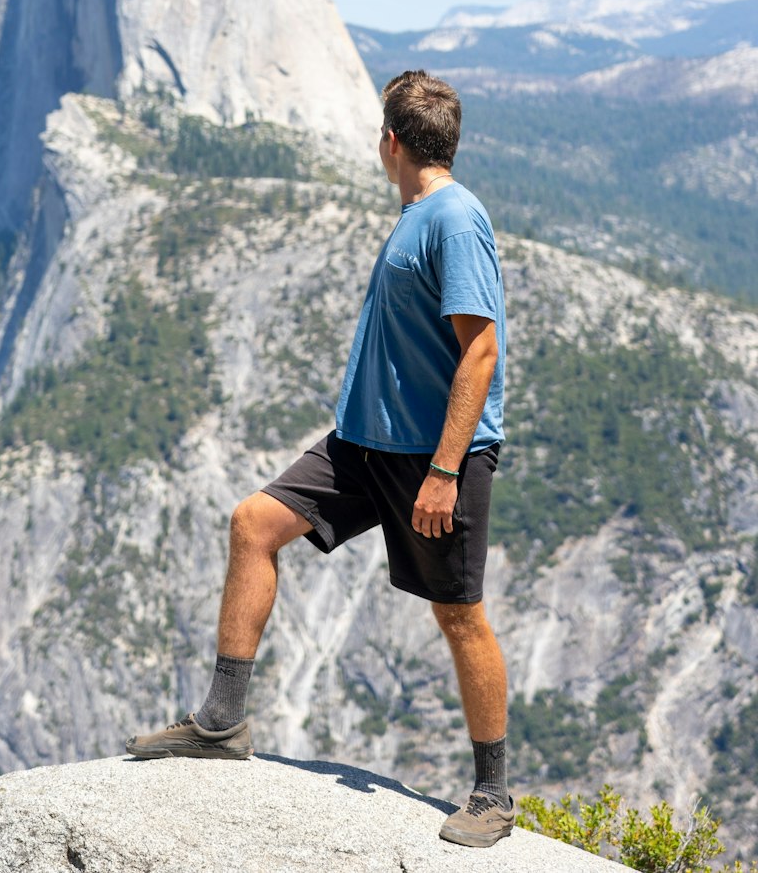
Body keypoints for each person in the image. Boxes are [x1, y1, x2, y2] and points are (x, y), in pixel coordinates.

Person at [125, 69, 513, 848]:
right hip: (359, 445)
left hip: (428, 459)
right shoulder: (417, 213)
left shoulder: (454, 219)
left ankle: (494, 796)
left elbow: (481, 352)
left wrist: (442, 472)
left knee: (459, 615)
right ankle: (222, 720)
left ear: (391, 141)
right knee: (253, 525)